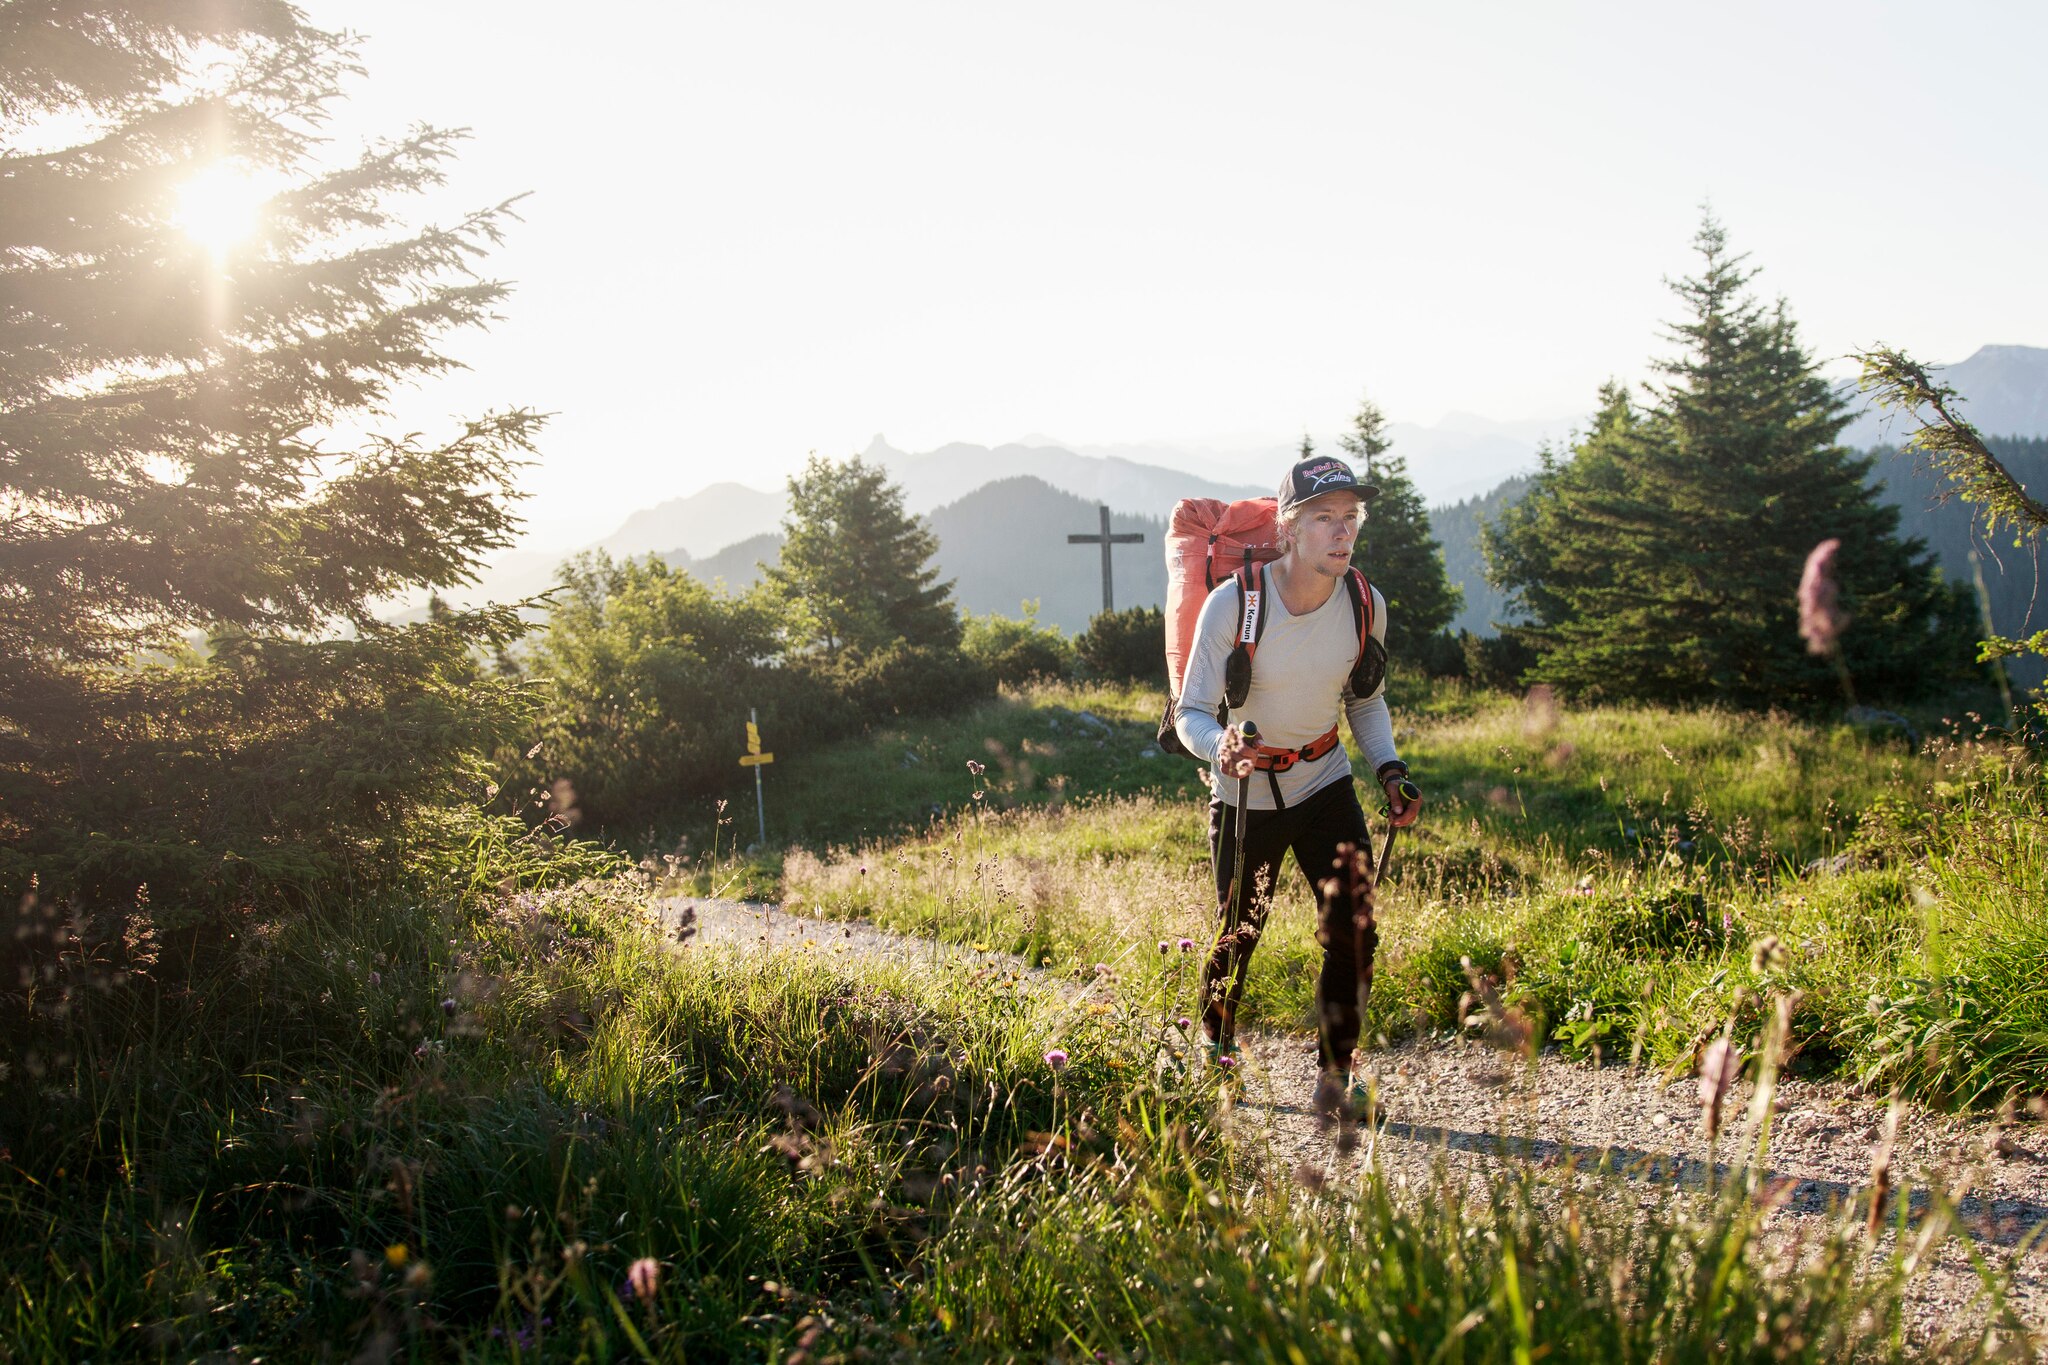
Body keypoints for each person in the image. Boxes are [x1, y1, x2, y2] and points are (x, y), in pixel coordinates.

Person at [1174, 452, 1420, 1103]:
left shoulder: (1366, 605)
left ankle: (1337, 1074)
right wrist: (1218, 747)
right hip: (1244, 794)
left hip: (1324, 782)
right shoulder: (1235, 604)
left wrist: (1389, 771)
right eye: (1324, 520)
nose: (1343, 532)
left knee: (1354, 926)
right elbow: (1190, 712)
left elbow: (1365, 701)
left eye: (1350, 518)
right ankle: (1216, 1043)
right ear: (1288, 528)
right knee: (1240, 928)